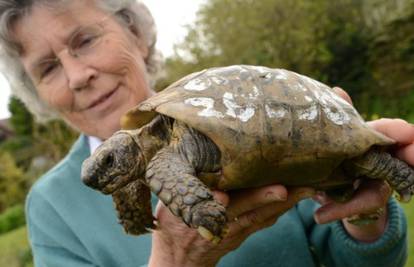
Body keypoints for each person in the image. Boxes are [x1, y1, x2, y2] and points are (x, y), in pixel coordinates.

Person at [0, 0, 410, 266]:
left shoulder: (232, 104)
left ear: (137, 35)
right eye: (48, 68)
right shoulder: (50, 210)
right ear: (35, 92)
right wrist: (172, 261)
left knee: (366, 157)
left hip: (297, 140)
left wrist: (364, 212)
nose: (77, 76)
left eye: (85, 40)